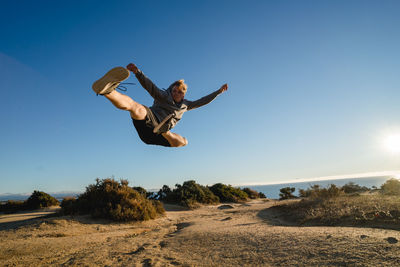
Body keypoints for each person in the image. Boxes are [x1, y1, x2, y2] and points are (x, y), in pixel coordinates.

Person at [92, 63, 228, 147]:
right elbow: (150, 86)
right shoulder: (164, 96)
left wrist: (219, 92)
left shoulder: (186, 105)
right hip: (149, 121)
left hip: (158, 135)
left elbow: (203, 101)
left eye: (179, 92)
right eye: (173, 91)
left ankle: (165, 131)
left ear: (183, 94)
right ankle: (108, 91)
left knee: (183, 142)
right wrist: (138, 73)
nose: (175, 94)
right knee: (136, 107)